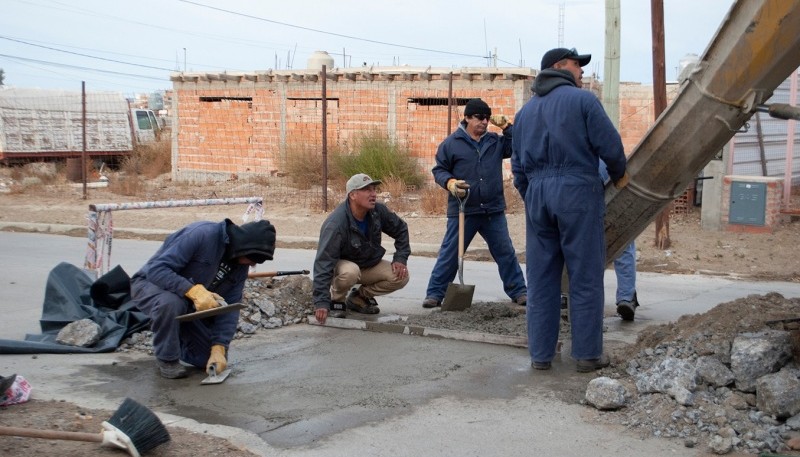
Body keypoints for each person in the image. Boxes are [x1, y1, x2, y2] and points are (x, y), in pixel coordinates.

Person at [511, 47, 628, 372]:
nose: (581, 71)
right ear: (560, 66)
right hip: (577, 192)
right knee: (585, 275)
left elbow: (517, 169)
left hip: (538, 196)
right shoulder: (584, 101)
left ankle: (541, 356)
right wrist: (619, 174)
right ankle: (588, 355)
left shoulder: (525, 113)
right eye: (578, 65)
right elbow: (611, 147)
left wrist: (534, 195)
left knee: (541, 280)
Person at [129, 219, 276, 379]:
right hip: (151, 286)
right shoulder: (202, 234)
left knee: (206, 360)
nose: (253, 264)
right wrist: (192, 290)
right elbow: (156, 270)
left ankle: (173, 333)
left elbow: (230, 307)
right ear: (244, 247)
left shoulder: (240, 266)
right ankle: (167, 358)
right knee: (171, 303)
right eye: (253, 259)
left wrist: (219, 347)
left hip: (187, 301)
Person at [422, 98, 527, 309]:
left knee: (505, 252)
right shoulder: (451, 144)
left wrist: (507, 127)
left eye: (487, 118)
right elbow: (439, 170)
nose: (484, 122)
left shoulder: (495, 142)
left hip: (492, 210)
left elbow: (521, 144)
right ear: (467, 117)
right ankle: (435, 293)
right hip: (464, 209)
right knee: (451, 253)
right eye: (479, 117)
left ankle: (519, 291)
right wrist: (449, 182)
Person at [313, 173, 411, 324]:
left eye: (373, 189)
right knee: (350, 272)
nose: (373, 194)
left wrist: (400, 258)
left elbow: (401, 229)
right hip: (342, 267)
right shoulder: (336, 224)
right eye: (367, 190)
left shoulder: (378, 212)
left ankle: (359, 297)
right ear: (352, 195)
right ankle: (337, 301)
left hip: (366, 264)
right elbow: (323, 262)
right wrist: (321, 302)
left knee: (400, 276)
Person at [599, 160, 639, 321]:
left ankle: (578, 298)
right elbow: (614, 155)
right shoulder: (604, 135)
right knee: (624, 244)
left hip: (583, 193)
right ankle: (626, 296)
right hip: (612, 189)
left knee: (586, 251)